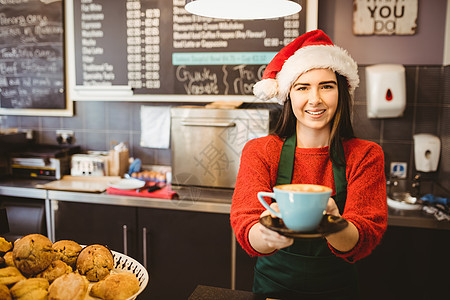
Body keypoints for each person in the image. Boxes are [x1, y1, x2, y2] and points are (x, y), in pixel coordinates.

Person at [230, 29, 387, 299]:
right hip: (272, 290)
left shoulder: (365, 155)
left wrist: (332, 224)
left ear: (342, 92)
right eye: (303, 87)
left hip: (337, 290)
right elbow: (245, 224)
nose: (315, 99)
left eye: (326, 86)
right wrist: (268, 234)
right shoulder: (260, 151)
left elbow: (365, 236)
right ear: (289, 95)